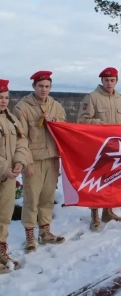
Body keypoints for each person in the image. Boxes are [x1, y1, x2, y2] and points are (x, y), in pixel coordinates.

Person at [77, 67, 121, 232]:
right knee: (97, 180)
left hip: (115, 148)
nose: (109, 83)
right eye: (106, 80)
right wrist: (103, 126)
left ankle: (108, 211)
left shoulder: (120, 99)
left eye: (112, 80)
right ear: (102, 81)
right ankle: (94, 215)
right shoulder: (92, 97)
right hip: (98, 147)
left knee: (112, 179)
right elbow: (82, 120)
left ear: (116, 81)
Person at [13, 71, 66, 253]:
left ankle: (45, 232)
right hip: (33, 160)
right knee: (31, 199)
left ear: (50, 88)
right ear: (34, 86)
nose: (44, 89)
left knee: (47, 197)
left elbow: (64, 131)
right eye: (40, 86)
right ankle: (29, 236)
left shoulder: (56, 106)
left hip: (52, 158)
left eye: (47, 86)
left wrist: (55, 121)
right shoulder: (23, 108)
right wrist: (25, 163)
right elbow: (21, 139)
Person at [0, 79, 32, 273]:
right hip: (4, 172)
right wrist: (5, 168)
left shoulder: (11, 118)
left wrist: (19, 162)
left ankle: (1, 251)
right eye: (0, 98)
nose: (3, 101)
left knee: (3, 216)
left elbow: (22, 142)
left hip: (8, 177)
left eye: (6, 97)